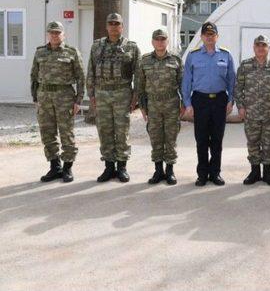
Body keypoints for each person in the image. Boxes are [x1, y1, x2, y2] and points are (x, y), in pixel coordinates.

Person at [87, 13, 140, 183]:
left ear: (122, 27)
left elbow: (138, 75)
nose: (114, 26)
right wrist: (91, 95)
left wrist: (135, 98)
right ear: (106, 26)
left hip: (122, 94)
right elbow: (91, 71)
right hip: (101, 94)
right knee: (104, 130)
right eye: (111, 23)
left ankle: (122, 167)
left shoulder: (131, 47)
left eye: (117, 23)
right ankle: (109, 167)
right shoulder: (96, 47)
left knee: (121, 130)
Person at [182, 22, 236, 186]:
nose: (209, 37)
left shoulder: (226, 55)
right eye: (206, 34)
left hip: (219, 100)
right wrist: (188, 103)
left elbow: (231, 80)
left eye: (212, 34)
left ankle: (215, 173)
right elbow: (186, 81)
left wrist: (230, 100)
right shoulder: (193, 55)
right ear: (202, 37)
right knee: (202, 139)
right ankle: (202, 174)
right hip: (200, 100)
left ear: (217, 37)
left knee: (217, 140)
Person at [30, 21, 84, 183]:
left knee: (66, 132)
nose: (54, 35)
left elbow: (81, 77)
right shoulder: (40, 52)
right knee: (47, 132)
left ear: (63, 34)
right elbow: (33, 76)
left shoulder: (72, 52)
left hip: (65, 97)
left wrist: (78, 100)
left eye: (57, 33)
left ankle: (67, 168)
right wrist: (35, 98)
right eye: (52, 32)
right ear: (48, 34)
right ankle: (55, 167)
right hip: (44, 96)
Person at [234, 35, 270, 186]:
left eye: (263, 45)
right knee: (252, 142)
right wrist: (241, 106)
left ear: (268, 48)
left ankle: (268, 173)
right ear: (254, 47)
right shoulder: (245, 66)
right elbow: (238, 88)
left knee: (268, 143)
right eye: (258, 45)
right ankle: (255, 171)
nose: (260, 48)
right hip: (251, 112)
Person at [136, 28, 184, 185]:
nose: (160, 42)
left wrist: (184, 104)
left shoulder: (176, 60)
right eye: (157, 39)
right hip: (153, 105)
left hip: (171, 104)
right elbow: (140, 86)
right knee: (156, 138)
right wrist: (142, 107)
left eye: (163, 39)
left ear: (167, 41)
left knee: (171, 138)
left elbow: (183, 84)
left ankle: (170, 171)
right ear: (152, 42)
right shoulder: (145, 60)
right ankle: (158, 171)